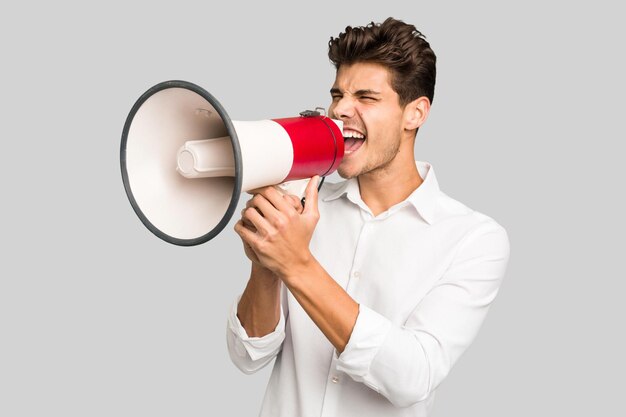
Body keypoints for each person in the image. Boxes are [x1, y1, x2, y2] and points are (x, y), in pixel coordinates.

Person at [226, 17, 510, 417]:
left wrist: (296, 263)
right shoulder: (305, 202)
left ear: (415, 113)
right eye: (337, 93)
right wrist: (266, 266)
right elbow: (247, 355)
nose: (341, 110)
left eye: (366, 97)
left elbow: (411, 378)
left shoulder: (473, 239)